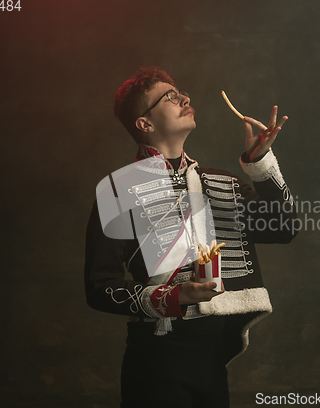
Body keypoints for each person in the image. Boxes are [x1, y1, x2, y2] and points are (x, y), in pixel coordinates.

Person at [84, 66, 298, 408]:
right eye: (169, 96)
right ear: (145, 124)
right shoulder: (117, 190)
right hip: (156, 358)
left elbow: (285, 228)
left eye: (179, 92)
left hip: (212, 357)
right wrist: (172, 296)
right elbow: (98, 287)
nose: (184, 97)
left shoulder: (222, 183)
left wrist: (259, 162)